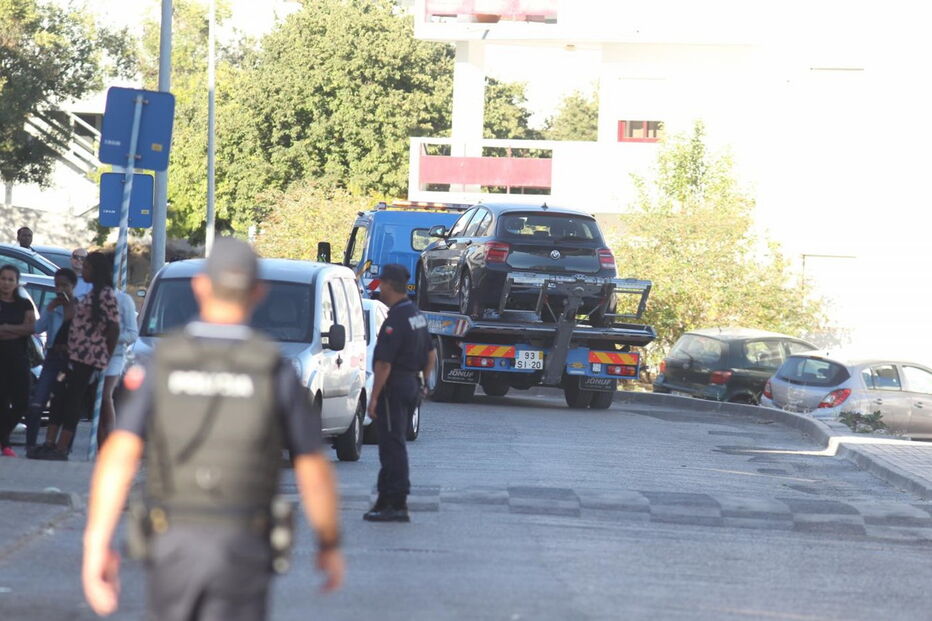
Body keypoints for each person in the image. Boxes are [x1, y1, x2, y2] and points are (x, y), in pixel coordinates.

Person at [82, 237, 344, 620]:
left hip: (173, 540)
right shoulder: (272, 368)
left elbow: (120, 455)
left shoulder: (164, 362)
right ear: (258, 292)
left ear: (202, 286)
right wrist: (329, 541)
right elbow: (311, 466)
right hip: (244, 543)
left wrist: (97, 542)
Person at [364, 264, 436, 523]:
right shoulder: (416, 315)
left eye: (381, 284)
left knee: (392, 447)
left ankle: (396, 503)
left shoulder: (396, 319)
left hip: (394, 388)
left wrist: (373, 397)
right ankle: (385, 500)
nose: (379, 288)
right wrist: (424, 382)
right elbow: (431, 354)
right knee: (393, 444)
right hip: (411, 385)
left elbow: (384, 364)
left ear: (390, 285)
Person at [34, 252, 118, 460]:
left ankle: (62, 448)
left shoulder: (106, 294)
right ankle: (50, 443)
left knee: (73, 401)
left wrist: (105, 355)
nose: (84, 271)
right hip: (71, 355)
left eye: (88, 267)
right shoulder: (88, 295)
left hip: (88, 358)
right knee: (59, 396)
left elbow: (113, 328)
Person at [25, 267, 77, 455]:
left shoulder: (79, 307)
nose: (60, 289)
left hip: (71, 360)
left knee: (64, 403)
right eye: (57, 286)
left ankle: (62, 447)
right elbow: (37, 328)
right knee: (38, 401)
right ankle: (31, 445)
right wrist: (49, 309)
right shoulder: (54, 308)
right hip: (52, 357)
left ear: (73, 286)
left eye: (65, 285)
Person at [0, 264, 36, 457]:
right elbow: (21, 328)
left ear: (16, 282)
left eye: (10, 279)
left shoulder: (24, 304)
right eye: (3, 278)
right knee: (2, 402)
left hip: (18, 357)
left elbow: (30, 328)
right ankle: (5, 445)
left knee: (22, 401)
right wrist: (16, 329)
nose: (6, 283)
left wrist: (5, 327)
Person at [98, 279, 138, 449]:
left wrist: (112, 338)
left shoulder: (124, 300)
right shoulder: (92, 298)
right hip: (93, 356)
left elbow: (132, 334)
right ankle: (101, 444)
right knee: (97, 400)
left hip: (115, 356)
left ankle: (112, 439)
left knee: (106, 395)